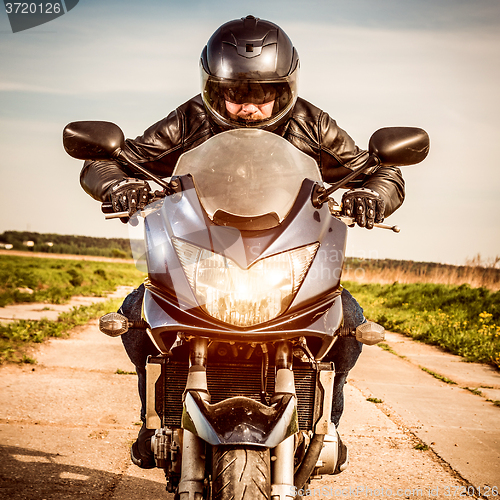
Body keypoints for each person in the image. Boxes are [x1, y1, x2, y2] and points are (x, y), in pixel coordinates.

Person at [80, 16, 405, 470]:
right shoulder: (191, 117)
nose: (248, 108)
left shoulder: (312, 123)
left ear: (284, 89)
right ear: (215, 88)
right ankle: (153, 418)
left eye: (262, 94)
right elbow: (112, 160)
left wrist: (373, 195)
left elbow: (381, 170)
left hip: (284, 252)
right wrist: (117, 185)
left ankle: (326, 423)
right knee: (138, 314)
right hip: (204, 251)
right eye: (236, 95)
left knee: (347, 320)